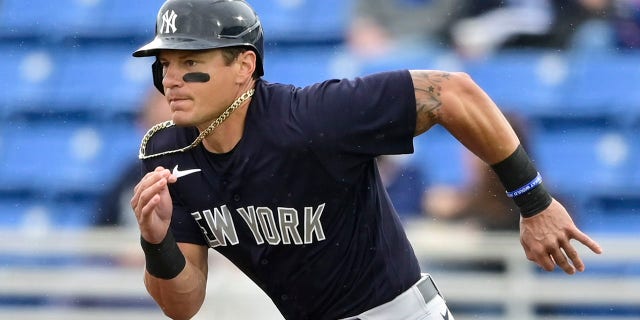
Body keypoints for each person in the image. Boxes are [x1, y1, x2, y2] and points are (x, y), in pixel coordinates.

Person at [129, 1, 603, 319]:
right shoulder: (168, 151)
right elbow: (183, 304)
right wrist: (156, 241)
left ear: (244, 67)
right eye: (165, 63)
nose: (172, 78)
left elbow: (452, 93)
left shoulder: (313, 116)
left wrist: (534, 203)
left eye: (192, 63)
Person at [95, 88, 172, 227]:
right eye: (157, 129)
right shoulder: (130, 177)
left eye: (176, 129)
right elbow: (100, 234)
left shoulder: (208, 174)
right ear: (142, 126)